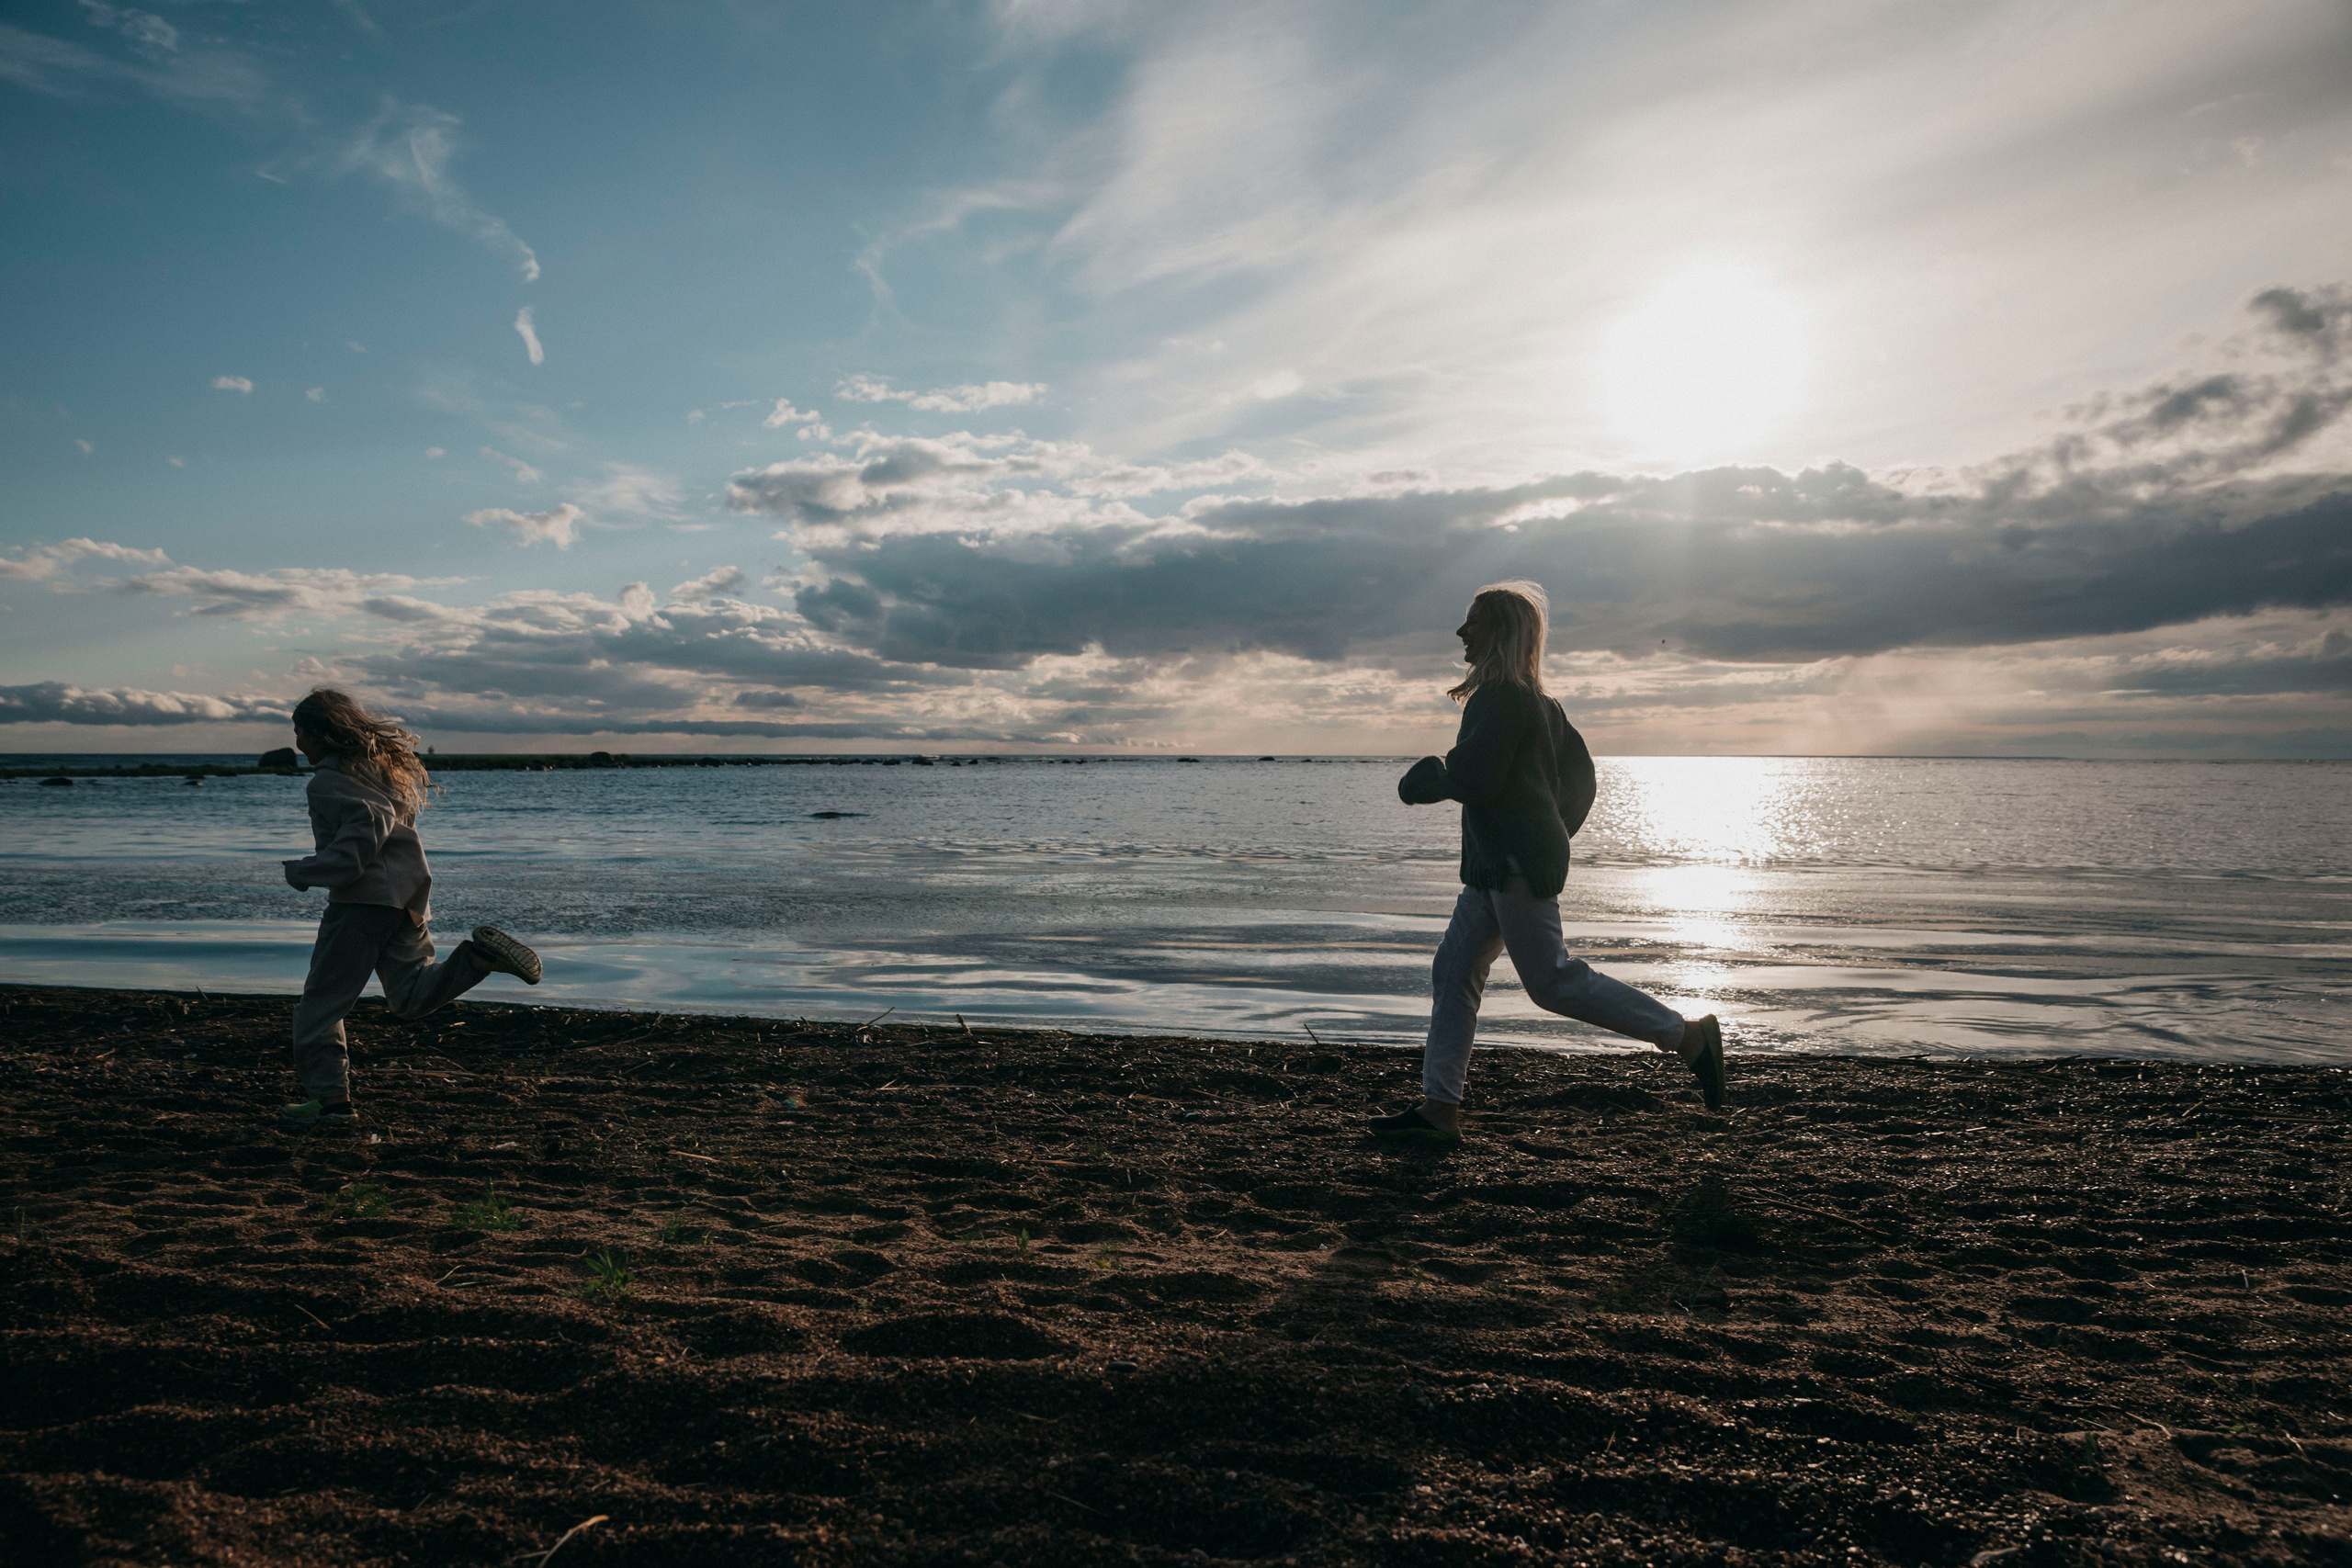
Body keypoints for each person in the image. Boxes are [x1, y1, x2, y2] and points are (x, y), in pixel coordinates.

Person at [1372, 581, 1725, 1145]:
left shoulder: (1500, 698)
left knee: (1552, 983)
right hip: (1495, 868)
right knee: (1454, 973)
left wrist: (1425, 781)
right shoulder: (1541, 704)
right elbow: (1581, 780)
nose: (1462, 632)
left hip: (1512, 867)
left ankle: (1688, 1038)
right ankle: (1439, 1110)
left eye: (1473, 622)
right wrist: (1552, 832)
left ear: (1502, 632)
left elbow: (1475, 779)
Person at [276, 688, 541, 1132]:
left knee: (319, 1007)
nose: (298, 743)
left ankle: (331, 1104)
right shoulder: (382, 771)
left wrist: (305, 870)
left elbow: (366, 831)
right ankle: (477, 959)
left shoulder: (327, 782)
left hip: (361, 904)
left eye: (300, 733)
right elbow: (390, 828)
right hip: (409, 896)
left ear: (322, 733)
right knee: (410, 995)